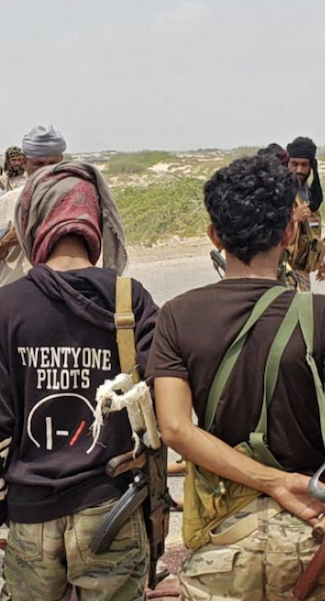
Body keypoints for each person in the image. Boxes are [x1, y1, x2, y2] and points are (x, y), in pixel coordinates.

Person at [0, 160, 157, 601]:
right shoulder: (129, 299)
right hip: (110, 505)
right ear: (95, 222)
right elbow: (156, 414)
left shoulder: (7, 304)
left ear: (35, 220)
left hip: (32, 510)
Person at [150, 155, 325, 599]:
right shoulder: (319, 316)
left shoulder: (177, 315)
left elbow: (174, 428)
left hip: (223, 541)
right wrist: (290, 481)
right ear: (289, 232)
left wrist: (269, 482)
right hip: (314, 535)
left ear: (214, 235)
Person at [0, 125, 67, 288]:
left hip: (59, 295)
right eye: (39, 164)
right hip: (15, 293)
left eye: (52, 164)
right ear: (25, 162)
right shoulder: (8, 202)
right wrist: (8, 241)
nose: (46, 170)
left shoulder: (72, 200)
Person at [283, 137, 324, 291]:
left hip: (303, 274)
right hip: (282, 271)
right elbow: (266, 230)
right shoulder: (279, 193)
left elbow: (311, 232)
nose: (299, 170)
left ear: (311, 166)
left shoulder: (311, 195)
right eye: (295, 164)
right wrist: (293, 217)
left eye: (304, 165)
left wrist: (319, 259)